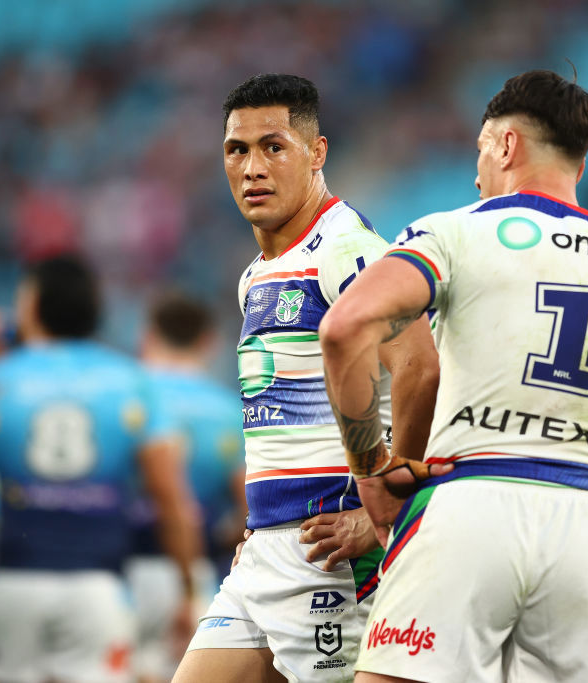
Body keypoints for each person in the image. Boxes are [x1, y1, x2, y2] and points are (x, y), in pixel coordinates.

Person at [319, 69, 588, 682]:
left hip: (472, 504)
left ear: (506, 145)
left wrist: (371, 469)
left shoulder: (456, 232)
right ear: (580, 167)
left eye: (481, 151)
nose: (476, 171)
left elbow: (344, 328)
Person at [175, 74, 438, 682]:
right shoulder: (256, 277)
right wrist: (261, 523)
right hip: (266, 550)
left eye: (274, 146)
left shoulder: (347, 250)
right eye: (237, 150)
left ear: (317, 153)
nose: (252, 168)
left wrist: (388, 509)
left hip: (327, 553)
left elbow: (421, 368)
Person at [0, 256, 201, 683]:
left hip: (13, 578)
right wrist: (188, 589)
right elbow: (171, 497)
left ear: (32, 305)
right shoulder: (131, 381)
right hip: (98, 588)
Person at [128, 292, 247, 682]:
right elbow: (250, 510)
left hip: (119, 568)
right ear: (208, 342)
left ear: (147, 337)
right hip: (196, 571)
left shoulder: (129, 399)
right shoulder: (231, 411)